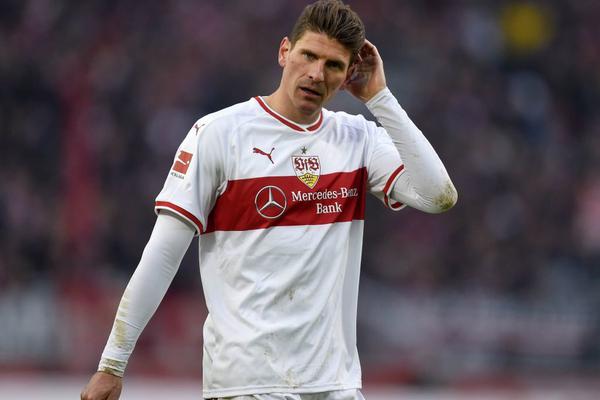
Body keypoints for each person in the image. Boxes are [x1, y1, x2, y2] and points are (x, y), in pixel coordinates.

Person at [81, 1, 457, 399]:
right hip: (250, 384)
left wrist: (380, 97)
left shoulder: (358, 138)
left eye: (332, 65)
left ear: (349, 74)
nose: (316, 74)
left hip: (335, 385)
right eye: (308, 55)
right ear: (284, 52)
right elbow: (162, 254)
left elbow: (438, 195)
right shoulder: (219, 134)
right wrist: (112, 364)